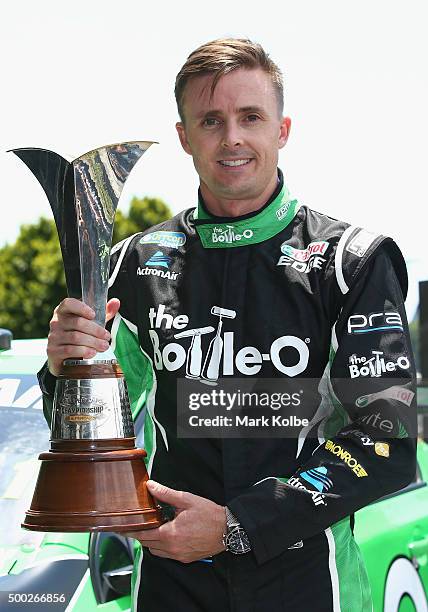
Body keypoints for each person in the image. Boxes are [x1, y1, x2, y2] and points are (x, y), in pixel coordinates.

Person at [39, 38, 416, 611]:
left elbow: (386, 442)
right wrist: (65, 369)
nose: (232, 138)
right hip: (169, 580)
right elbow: (92, 438)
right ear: (184, 137)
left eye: (251, 117)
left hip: (306, 581)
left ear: (282, 130)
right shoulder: (134, 266)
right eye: (211, 120)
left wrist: (238, 525)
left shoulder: (351, 261)